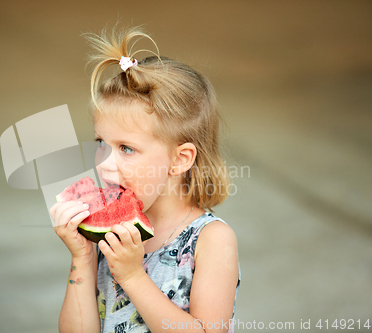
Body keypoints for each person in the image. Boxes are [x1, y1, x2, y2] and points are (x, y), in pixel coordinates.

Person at [50, 25, 240, 333]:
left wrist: (133, 276)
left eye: (126, 148)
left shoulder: (211, 240)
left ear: (180, 160)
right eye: (101, 143)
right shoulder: (111, 236)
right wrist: (82, 258)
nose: (105, 165)